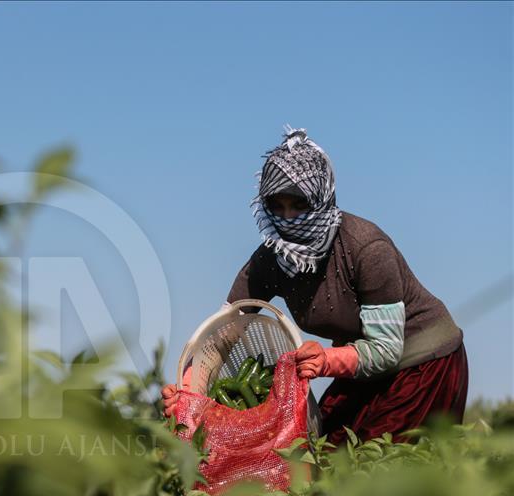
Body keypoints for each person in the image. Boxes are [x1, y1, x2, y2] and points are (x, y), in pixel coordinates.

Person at [161, 126, 468, 444]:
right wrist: (187, 392)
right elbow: (224, 335)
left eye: (298, 206)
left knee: (382, 468)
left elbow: (387, 350)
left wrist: (326, 360)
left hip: (422, 362)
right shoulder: (271, 260)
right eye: (277, 207)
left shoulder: (365, 247)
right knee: (325, 449)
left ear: (321, 198)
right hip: (360, 363)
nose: (288, 218)